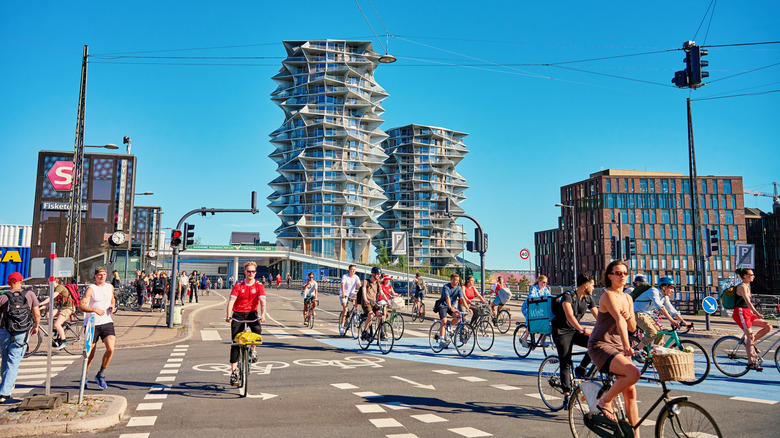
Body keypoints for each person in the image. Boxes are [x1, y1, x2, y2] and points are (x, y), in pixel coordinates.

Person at [587, 261, 640, 428]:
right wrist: (627, 346)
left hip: (617, 347)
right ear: (610, 276)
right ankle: (605, 401)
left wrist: (629, 316)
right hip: (601, 345)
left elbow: (631, 326)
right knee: (634, 373)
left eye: (624, 273)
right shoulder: (608, 295)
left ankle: (635, 435)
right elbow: (618, 321)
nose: (622, 276)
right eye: (618, 273)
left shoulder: (628, 298)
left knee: (630, 392)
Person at [551, 273, 599, 397]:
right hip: (561, 331)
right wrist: (582, 329)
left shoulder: (588, 299)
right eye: (592, 285)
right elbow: (569, 316)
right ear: (586, 285)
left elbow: (599, 317)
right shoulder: (568, 296)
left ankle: (581, 368)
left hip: (575, 330)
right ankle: (567, 395)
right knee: (565, 360)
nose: (593, 288)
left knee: (595, 345)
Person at [0, 272, 41, 403]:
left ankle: (6, 387)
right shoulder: (29, 294)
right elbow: (37, 314)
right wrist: (36, 326)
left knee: (5, 360)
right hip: (22, 332)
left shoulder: (3, 296)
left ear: (8, 283)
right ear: (21, 281)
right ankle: (4, 393)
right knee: (13, 362)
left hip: (5, 330)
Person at [226, 261, 266, 386]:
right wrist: (228, 315)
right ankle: (233, 373)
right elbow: (231, 300)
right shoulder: (238, 285)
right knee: (235, 344)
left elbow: (263, 301)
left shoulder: (259, 285)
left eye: (253, 271)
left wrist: (263, 314)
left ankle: (252, 350)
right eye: (248, 271)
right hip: (238, 314)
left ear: (255, 272)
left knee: (257, 331)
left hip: (252, 314)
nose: (250, 273)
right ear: (245, 272)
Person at [80, 266, 117, 390]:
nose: (102, 277)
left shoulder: (109, 287)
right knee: (90, 354)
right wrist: (94, 309)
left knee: (111, 349)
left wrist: (112, 306)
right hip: (92, 323)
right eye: (99, 275)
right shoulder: (91, 289)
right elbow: (81, 306)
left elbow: (112, 300)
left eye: (104, 275)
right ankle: (85, 376)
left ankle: (100, 374)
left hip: (107, 321)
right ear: (95, 276)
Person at [633, 277, 690, 355]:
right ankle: (636, 349)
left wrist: (683, 321)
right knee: (652, 332)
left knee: (661, 332)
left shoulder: (664, 297)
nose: (673, 291)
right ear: (664, 287)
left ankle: (656, 354)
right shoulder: (653, 291)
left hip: (647, 314)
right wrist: (672, 320)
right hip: (637, 313)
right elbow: (660, 307)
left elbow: (672, 310)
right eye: (671, 288)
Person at [732, 268, 772, 371]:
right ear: (745, 276)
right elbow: (748, 302)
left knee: (768, 326)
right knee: (750, 335)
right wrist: (757, 313)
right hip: (741, 313)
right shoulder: (741, 287)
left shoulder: (748, 286)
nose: (753, 276)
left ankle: (751, 344)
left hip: (748, 313)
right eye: (751, 275)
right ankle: (750, 363)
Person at [37, 278, 77, 350]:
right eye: (47, 281)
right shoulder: (56, 289)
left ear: (54, 282)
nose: (47, 283)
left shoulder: (59, 287)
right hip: (63, 308)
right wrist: (38, 308)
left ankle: (64, 342)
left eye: (49, 281)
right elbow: (50, 303)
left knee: (57, 324)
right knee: (48, 315)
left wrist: (39, 303)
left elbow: (50, 298)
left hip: (69, 308)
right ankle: (55, 331)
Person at [520, 275, 551, 347]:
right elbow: (531, 297)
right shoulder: (534, 288)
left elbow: (549, 296)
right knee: (531, 321)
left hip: (538, 308)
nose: (545, 284)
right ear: (539, 281)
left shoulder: (545, 289)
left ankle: (542, 340)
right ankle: (524, 338)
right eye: (543, 282)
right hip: (528, 308)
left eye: (546, 283)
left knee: (545, 321)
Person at [436, 273, 464, 348]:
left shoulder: (458, 288)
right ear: (451, 280)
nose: (457, 282)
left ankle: (450, 325)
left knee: (458, 317)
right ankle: (441, 341)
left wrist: (467, 307)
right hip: (443, 306)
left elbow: (461, 298)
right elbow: (447, 297)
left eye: (458, 280)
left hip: (451, 306)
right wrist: (449, 306)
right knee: (444, 322)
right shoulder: (446, 287)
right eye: (455, 280)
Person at [359, 267, 383, 340]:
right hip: (366, 303)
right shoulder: (366, 281)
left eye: (379, 274)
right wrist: (365, 299)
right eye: (377, 274)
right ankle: (364, 331)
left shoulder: (377, 283)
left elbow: (381, 293)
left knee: (380, 315)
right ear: (373, 274)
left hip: (373, 303)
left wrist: (388, 301)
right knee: (371, 315)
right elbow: (363, 290)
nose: (379, 276)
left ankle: (380, 332)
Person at [339, 265, 361, 333]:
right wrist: (343, 293)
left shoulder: (356, 277)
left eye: (354, 270)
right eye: (352, 269)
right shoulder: (345, 276)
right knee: (345, 309)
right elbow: (342, 285)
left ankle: (354, 312)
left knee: (358, 298)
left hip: (351, 293)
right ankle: (342, 326)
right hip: (344, 293)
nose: (353, 271)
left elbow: (359, 285)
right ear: (349, 270)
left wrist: (362, 292)